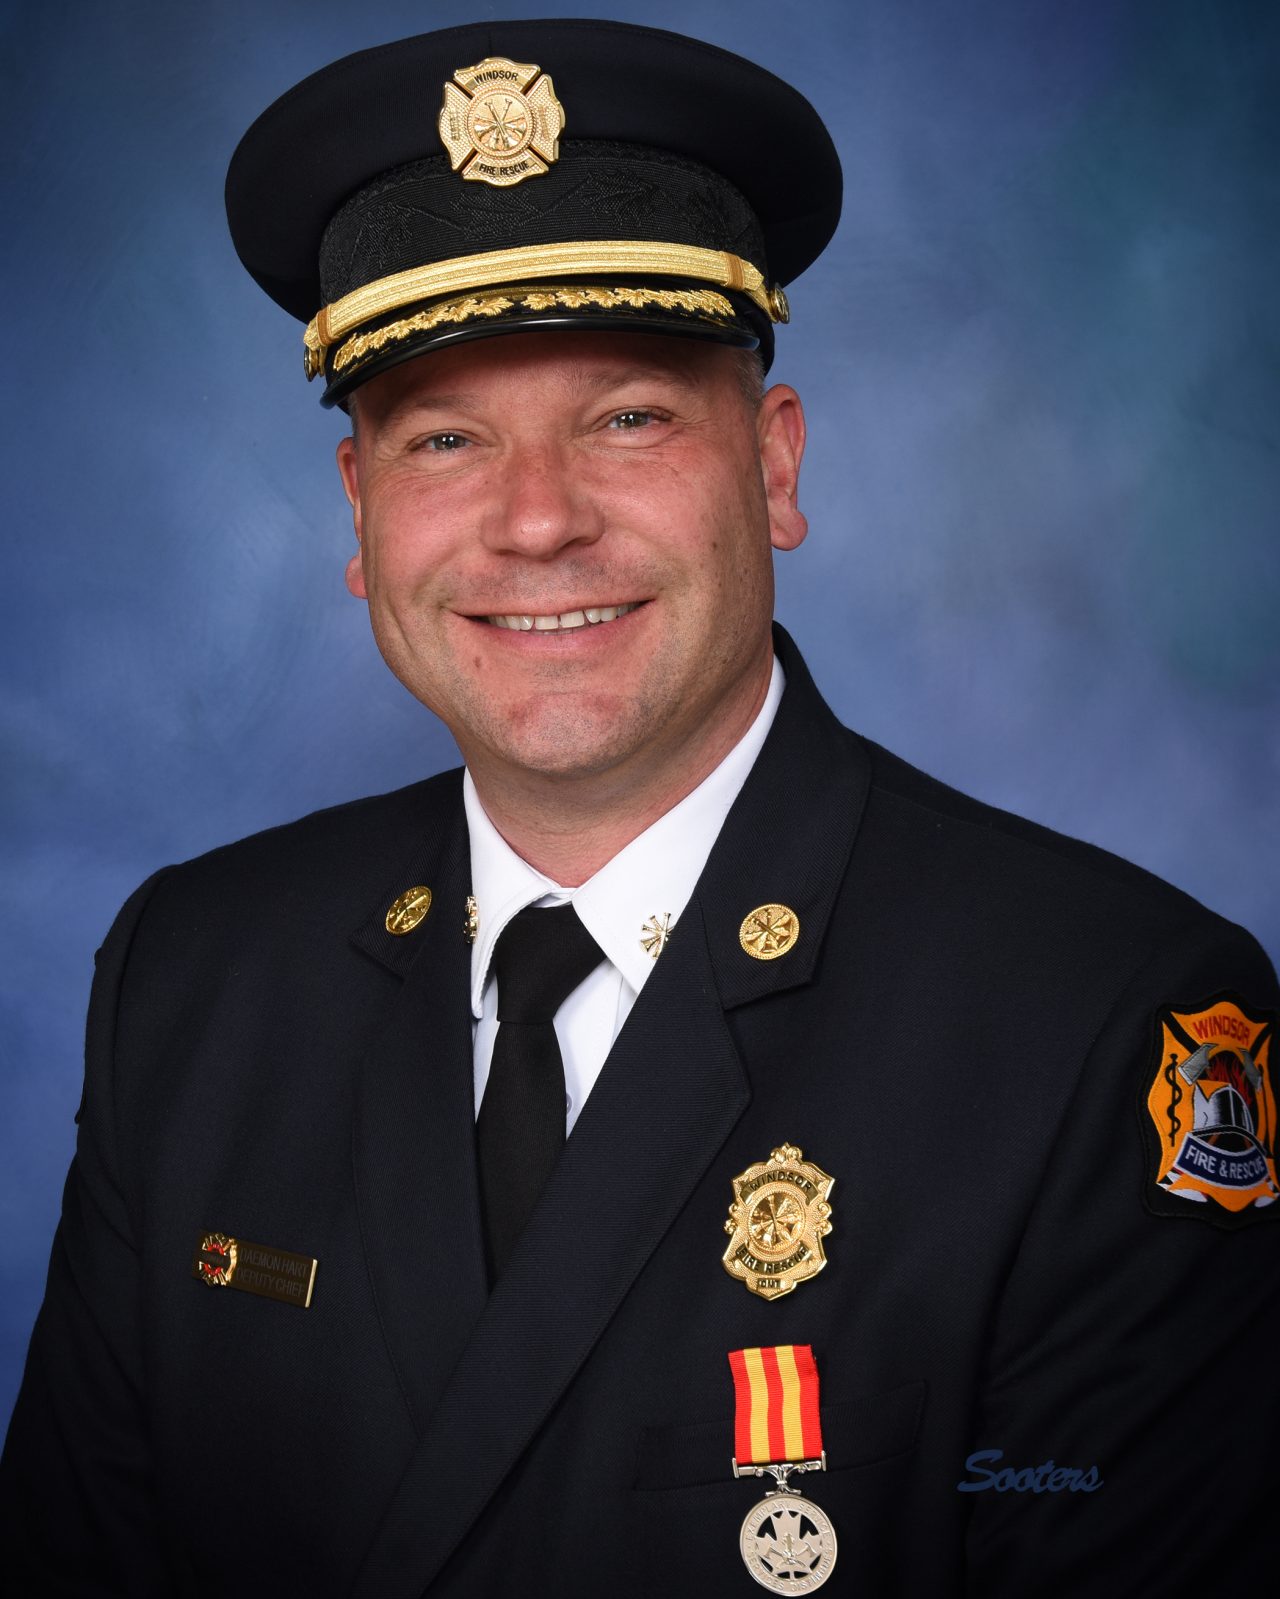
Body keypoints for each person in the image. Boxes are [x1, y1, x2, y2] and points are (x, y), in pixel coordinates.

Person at [1, 18, 1276, 1597]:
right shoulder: (192, 979)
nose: (536, 521)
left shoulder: (1105, 1023)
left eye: (629, 418)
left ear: (777, 466)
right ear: (358, 513)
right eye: (446, 438)